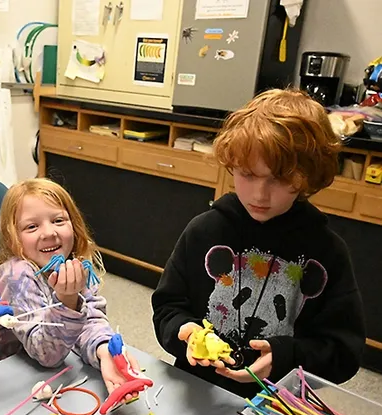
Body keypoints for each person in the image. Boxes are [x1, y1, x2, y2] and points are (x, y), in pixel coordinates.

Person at [152, 89, 365, 398]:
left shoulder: (327, 253)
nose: (259, 195)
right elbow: (168, 307)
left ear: (308, 176)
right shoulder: (203, 231)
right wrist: (184, 331)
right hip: (198, 391)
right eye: (247, 174)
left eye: (279, 179)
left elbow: (344, 352)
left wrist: (285, 357)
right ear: (232, 164)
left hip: (278, 402)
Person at [0, 178, 140, 401]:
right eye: (32, 226)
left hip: (56, 381)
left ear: (74, 225)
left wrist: (104, 350)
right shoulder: (16, 276)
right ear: (13, 238)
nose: (49, 232)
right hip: (7, 387)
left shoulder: (76, 265)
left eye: (58, 220)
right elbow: (46, 354)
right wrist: (67, 300)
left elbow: (91, 320)